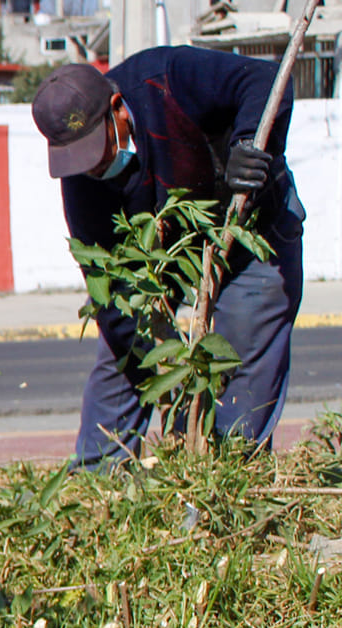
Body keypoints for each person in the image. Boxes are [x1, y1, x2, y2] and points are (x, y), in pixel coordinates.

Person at [31, 50, 302, 467]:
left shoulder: (166, 80)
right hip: (169, 256)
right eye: (78, 159)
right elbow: (111, 287)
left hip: (251, 229)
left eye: (96, 149)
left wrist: (247, 142)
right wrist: (162, 356)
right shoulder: (82, 184)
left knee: (241, 349)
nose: (94, 167)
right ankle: (97, 481)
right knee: (123, 355)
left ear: (118, 110)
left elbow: (266, 78)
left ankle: (226, 474)